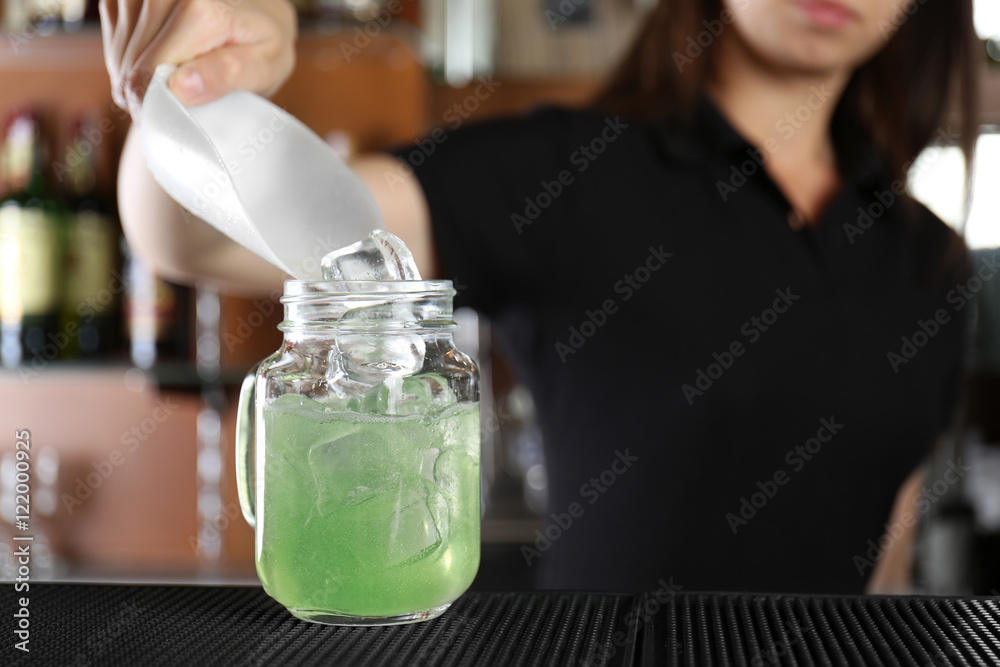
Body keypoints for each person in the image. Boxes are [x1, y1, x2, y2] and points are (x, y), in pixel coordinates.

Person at [101, 0, 980, 594]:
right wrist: (203, 82)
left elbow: (886, 559)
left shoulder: (931, 260)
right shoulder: (571, 171)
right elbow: (199, 233)